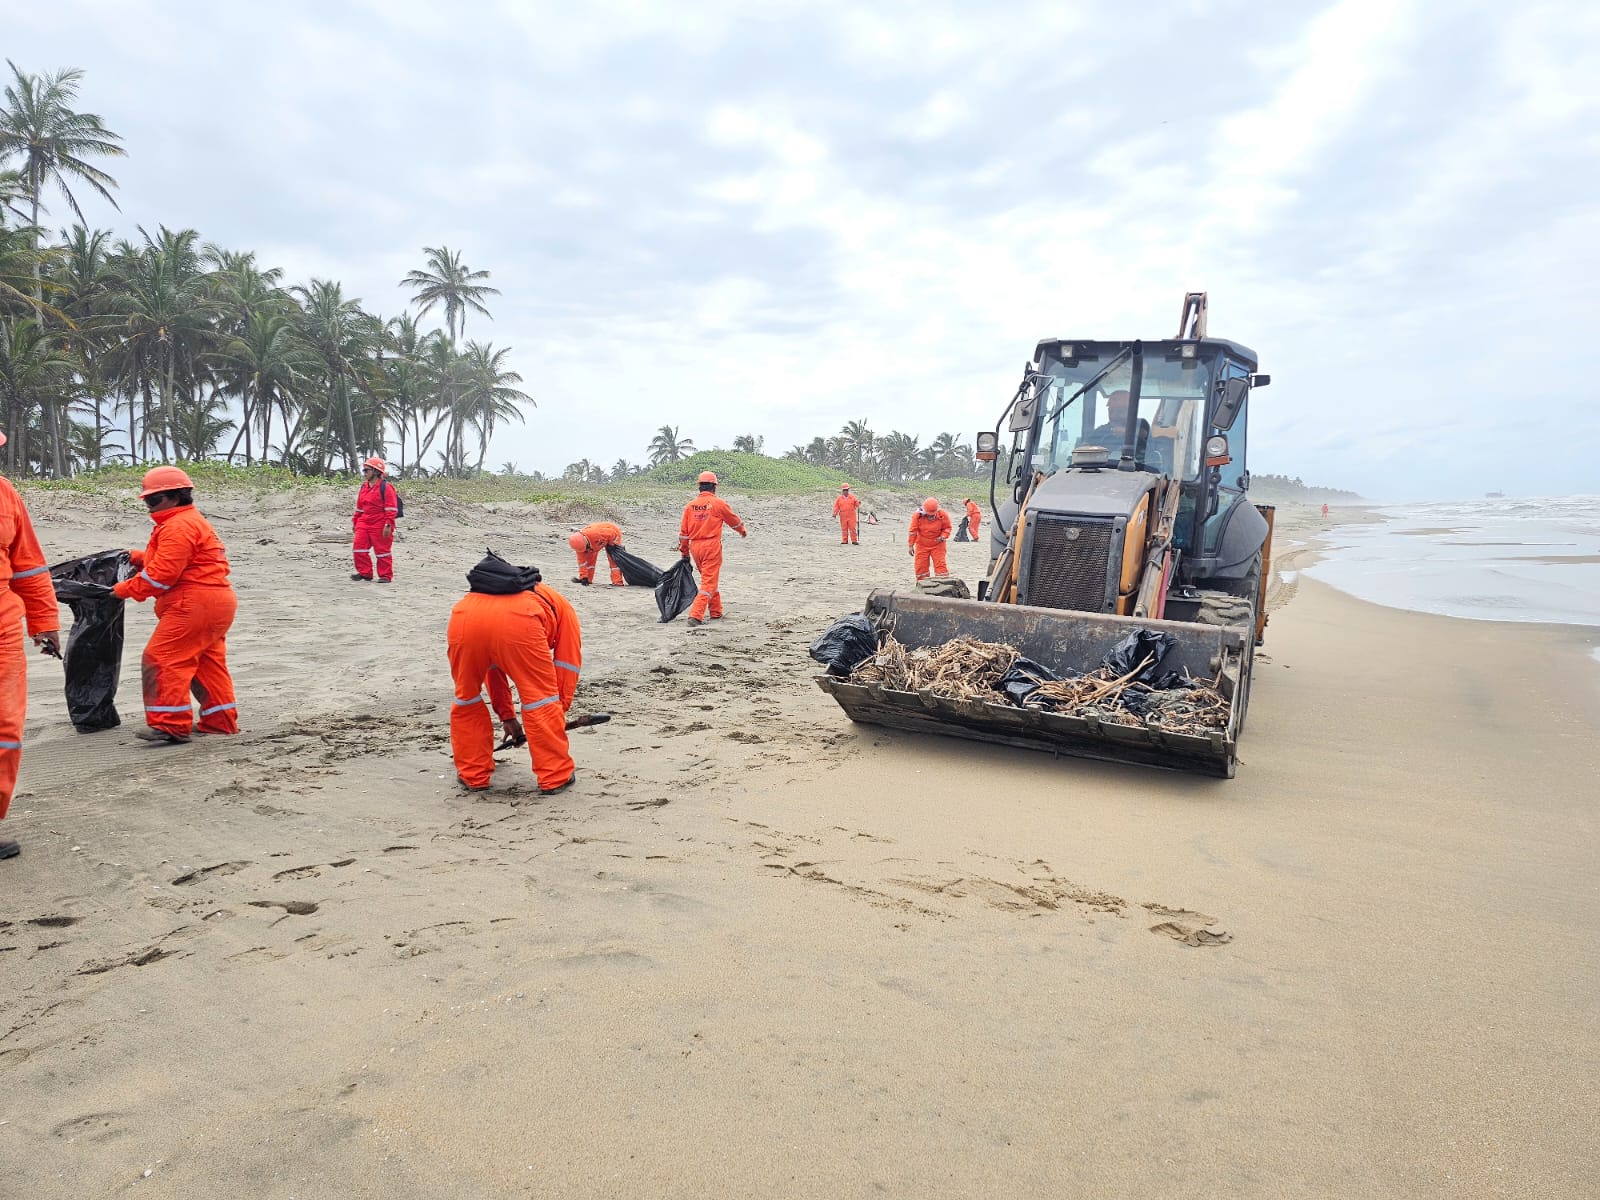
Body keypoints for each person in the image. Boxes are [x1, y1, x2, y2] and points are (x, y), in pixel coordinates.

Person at [111, 466, 238, 745]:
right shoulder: (186, 522)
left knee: (163, 658)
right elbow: (178, 562)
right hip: (215, 602)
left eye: (152, 500)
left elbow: (161, 576)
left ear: (174, 497)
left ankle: (170, 724)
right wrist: (139, 557)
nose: (148, 505)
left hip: (193, 603)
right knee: (207, 663)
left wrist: (122, 590)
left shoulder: (178, 526)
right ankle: (220, 721)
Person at [448, 555, 581, 795]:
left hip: (464, 617)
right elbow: (566, 663)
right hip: (521, 621)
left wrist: (507, 716)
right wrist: (558, 709)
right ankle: (555, 775)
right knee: (541, 699)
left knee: (466, 697)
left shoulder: (483, 598)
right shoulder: (562, 608)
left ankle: (473, 774)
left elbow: (493, 666)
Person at [1, 430, 63, 860]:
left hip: (2, 625)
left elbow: (28, 565)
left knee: (5, 728)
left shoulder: (6, 495)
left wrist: (44, 621)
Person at [677, 471, 747, 628]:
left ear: (699, 487)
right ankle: (695, 615)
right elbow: (733, 520)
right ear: (714, 486)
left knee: (709, 578)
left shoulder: (690, 506)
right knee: (708, 582)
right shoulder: (718, 504)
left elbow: (683, 534)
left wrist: (684, 554)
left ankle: (716, 611)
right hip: (711, 546)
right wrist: (742, 531)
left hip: (695, 548)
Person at [351, 456, 400, 582]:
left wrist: (388, 525)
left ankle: (385, 576)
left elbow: (391, 509)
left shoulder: (386, 487)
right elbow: (360, 508)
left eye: (366, 470)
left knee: (382, 551)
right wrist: (355, 522)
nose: (364, 473)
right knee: (358, 548)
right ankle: (365, 573)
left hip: (380, 522)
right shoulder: (364, 487)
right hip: (364, 521)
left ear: (376, 471)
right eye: (364, 471)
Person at [1078, 389, 1149, 460]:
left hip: (1138, 468)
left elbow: (1144, 435)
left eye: (1120, 411)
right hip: (1104, 469)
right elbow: (1086, 447)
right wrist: (1085, 447)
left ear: (1131, 411)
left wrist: (1125, 433)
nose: (1114, 416)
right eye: (1111, 411)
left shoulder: (1141, 424)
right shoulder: (1101, 430)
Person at [568, 522, 626, 587]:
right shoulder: (579, 545)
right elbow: (582, 562)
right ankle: (588, 579)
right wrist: (584, 577)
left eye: (586, 548)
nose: (586, 550)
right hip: (595, 543)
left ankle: (617, 582)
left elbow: (612, 533)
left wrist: (612, 545)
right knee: (590, 559)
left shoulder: (596, 533)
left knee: (614, 560)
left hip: (613, 535)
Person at [908, 498, 953, 580]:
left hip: (938, 544)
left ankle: (943, 584)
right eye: (929, 514)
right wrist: (911, 545)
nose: (931, 517)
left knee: (940, 565)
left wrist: (943, 536)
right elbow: (913, 531)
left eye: (933, 515)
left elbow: (947, 528)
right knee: (920, 566)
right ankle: (922, 584)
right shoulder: (917, 516)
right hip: (922, 545)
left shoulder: (943, 515)